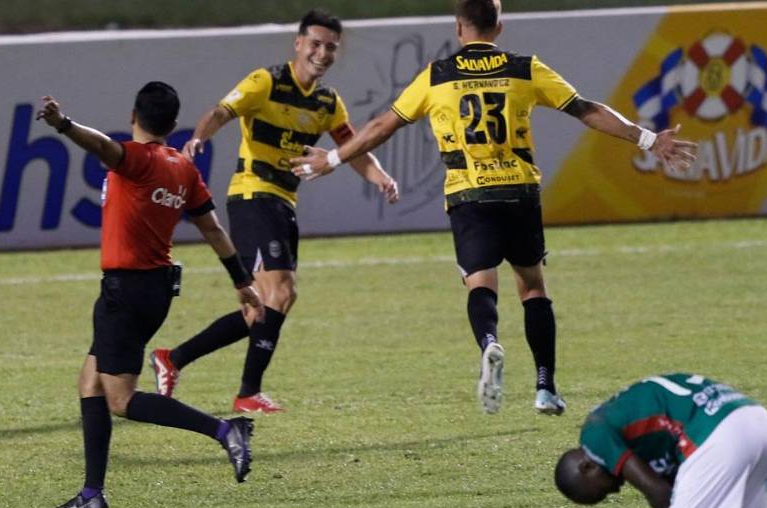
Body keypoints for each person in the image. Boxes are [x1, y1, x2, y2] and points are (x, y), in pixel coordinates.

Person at [291, 0, 697, 415]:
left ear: (459, 28)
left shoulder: (438, 76)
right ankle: (545, 388)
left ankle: (489, 343)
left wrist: (332, 159)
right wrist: (648, 139)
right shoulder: (525, 68)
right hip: (519, 192)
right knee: (533, 287)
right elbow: (588, 110)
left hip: (469, 195)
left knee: (480, 285)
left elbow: (382, 126)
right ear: (499, 26)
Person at [149, 9, 399, 414]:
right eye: (315, 44)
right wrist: (198, 139)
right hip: (252, 196)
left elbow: (353, 149)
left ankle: (172, 359)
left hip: (283, 203)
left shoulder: (326, 102)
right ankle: (248, 393)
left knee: (261, 308)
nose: (322, 53)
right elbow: (220, 113)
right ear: (298, 44)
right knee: (281, 292)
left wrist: (381, 178)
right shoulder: (265, 81)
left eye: (330, 47)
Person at [37, 82, 266, 508]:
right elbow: (213, 229)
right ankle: (91, 494)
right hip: (153, 290)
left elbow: (102, 146)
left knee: (121, 399)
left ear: (132, 117)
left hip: (125, 292)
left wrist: (63, 125)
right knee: (90, 382)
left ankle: (224, 431)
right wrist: (241, 280)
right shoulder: (182, 168)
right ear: (174, 125)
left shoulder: (136, 160)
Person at [554, 373, 767, 508]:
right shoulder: (633, 431)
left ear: (586, 467)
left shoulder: (594, 435)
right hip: (759, 423)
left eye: (602, 491)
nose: (616, 489)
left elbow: (657, 491)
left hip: (719, 434)